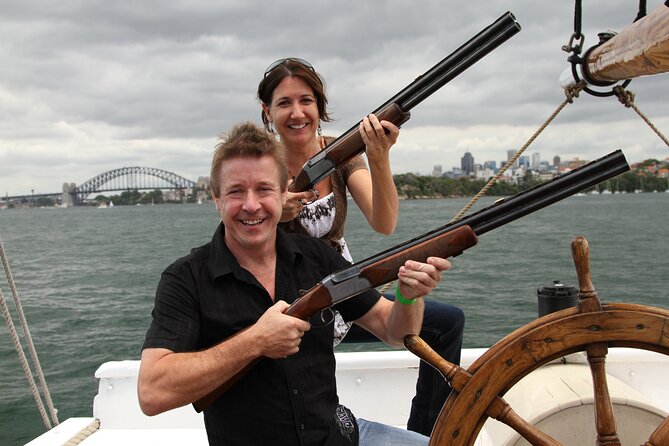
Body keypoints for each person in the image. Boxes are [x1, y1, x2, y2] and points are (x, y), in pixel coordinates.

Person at [137, 122, 452, 445]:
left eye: (264, 189)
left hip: (338, 436)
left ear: (281, 194)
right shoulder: (186, 278)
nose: (251, 205)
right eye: (235, 191)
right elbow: (152, 392)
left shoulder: (317, 257)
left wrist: (408, 295)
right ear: (216, 199)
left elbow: (393, 331)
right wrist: (255, 342)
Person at [257, 57, 465, 435]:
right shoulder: (259, 165)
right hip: (288, 304)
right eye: (284, 103)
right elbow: (236, 235)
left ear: (320, 107)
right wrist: (275, 213)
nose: (297, 112)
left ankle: (426, 432)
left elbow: (383, 222)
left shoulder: (339, 155)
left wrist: (379, 156)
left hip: (346, 293)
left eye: (306, 100)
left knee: (445, 323)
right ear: (267, 111)